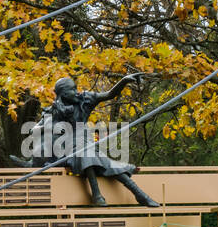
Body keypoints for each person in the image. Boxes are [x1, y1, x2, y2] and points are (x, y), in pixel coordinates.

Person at [34, 74, 159, 207]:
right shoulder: (54, 110)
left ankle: (101, 195)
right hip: (65, 150)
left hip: (84, 143)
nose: (77, 92)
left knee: (87, 153)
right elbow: (34, 130)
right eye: (72, 90)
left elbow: (109, 94)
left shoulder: (85, 100)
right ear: (63, 94)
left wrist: (124, 81)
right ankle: (138, 194)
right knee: (87, 153)